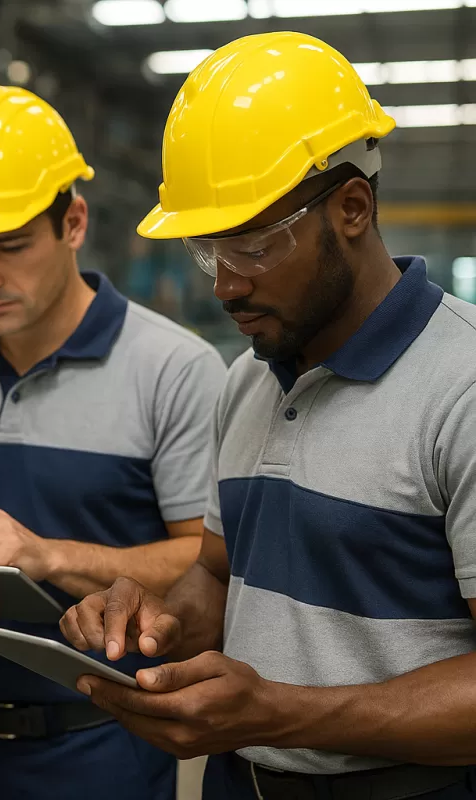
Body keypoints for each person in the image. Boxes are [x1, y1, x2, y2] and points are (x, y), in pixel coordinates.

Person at [63, 31, 476, 800]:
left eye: (253, 247)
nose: (225, 287)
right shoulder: (246, 383)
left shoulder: (462, 388)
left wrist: (284, 714)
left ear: (352, 206)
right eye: (207, 250)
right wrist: (154, 620)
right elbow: (221, 575)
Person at [0, 84, 227, 800]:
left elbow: (209, 565)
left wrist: (49, 555)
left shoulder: (175, 369)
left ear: (73, 222)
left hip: (100, 746)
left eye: (9, 247)